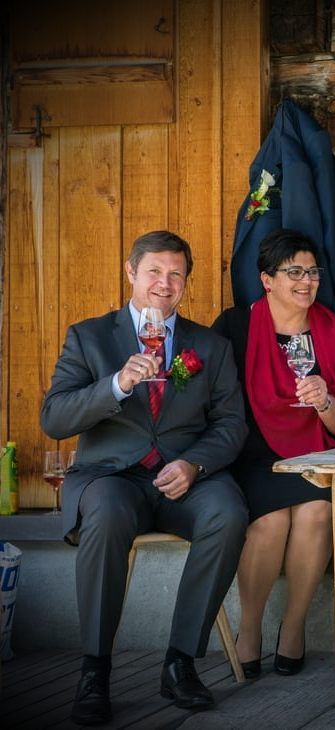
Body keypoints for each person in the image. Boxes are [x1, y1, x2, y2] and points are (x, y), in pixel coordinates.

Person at [40, 231, 249, 726]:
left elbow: (230, 424)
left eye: (176, 273)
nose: (165, 282)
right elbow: (54, 418)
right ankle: (94, 669)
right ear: (131, 272)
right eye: (154, 270)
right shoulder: (89, 337)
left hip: (185, 478)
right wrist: (116, 384)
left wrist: (194, 464)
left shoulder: (210, 346)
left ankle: (180, 661)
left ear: (185, 282)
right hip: (112, 477)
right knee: (108, 513)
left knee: (228, 511)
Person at [212, 229, 335, 679]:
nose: (306, 281)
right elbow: (216, 404)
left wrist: (324, 402)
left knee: (317, 512)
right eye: (293, 271)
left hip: (316, 453)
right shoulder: (235, 328)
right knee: (272, 520)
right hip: (253, 454)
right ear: (266, 279)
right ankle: (251, 628)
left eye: (312, 271)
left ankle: (294, 628)